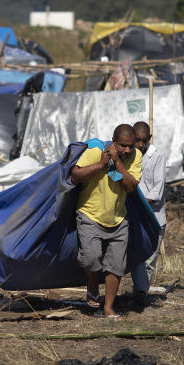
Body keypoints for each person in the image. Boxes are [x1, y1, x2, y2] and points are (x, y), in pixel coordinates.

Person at [70, 124, 142, 318]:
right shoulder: (95, 152)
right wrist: (101, 165)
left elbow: (130, 187)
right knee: (91, 259)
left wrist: (117, 162)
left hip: (118, 218)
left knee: (116, 266)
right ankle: (93, 286)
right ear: (113, 141)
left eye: (131, 146)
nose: (128, 150)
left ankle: (108, 307)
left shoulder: (135, 156)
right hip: (90, 215)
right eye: (123, 146)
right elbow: (75, 176)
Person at [130, 121, 168, 306]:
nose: (140, 145)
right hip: (134, 216)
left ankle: (140, 294)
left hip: (153, 216)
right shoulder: (128, 154)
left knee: (149, 259)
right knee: (136, 257)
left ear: (149, 139)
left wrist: (140, 205)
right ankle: (139, 292)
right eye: (137, 140)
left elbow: (157, 188)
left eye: (144, 141)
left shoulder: (157, 155)